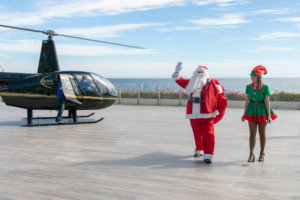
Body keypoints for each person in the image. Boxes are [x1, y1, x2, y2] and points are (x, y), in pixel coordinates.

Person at [172, 61, 228, 164]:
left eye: (201, 73)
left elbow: (221, 97)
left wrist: (220, 110)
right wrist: (176, 72)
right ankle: (199, 149)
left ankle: (208, 154)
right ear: (194, 73)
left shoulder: (213, 83)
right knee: (196, 133)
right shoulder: (191, 82)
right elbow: (180, 80)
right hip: (193, 112)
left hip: (207, 112)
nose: (199, 75)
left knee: (208, 134)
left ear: (205, 74)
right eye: (197, 72)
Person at [241, 65, 277, 162]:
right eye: (251, 76)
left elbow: (267, 101)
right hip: (251, 110)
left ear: (258, 77)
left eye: (253, 76)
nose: (251, 78)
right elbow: (247, 101)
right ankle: (251, 154)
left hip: (261, 110)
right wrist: (244, 114)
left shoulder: (265, 87)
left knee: (262, 133)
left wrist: (269, 115)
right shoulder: (248, 87)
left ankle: (262, 153)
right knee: (252, 134)